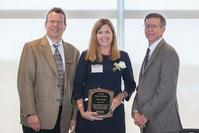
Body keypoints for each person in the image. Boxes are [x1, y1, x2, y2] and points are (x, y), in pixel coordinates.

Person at [17, 7, 79, 133]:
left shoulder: (73, 52)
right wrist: (30, 113)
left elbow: (75, 86)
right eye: (52, 21)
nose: (56, 25)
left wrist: (74, 116)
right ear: (45, 24)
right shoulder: (31, 48)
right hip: (37, 118)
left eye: (60, 22)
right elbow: (24, 83)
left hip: (63, 118)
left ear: (65, 26)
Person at [72, 18, 136, 133]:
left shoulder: (123, 56)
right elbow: (77, 86)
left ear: (113, 34)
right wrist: (82, 112)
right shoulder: (86, 56)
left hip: (114, 115)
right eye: (100, 32)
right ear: (95, 35)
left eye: (107, 32)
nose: (104, 36)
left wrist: (120, 96)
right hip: (89, 115)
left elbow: (131, 85)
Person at [131, 13, 183, 133]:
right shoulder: (149, 52)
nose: (149, 29)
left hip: (164, 124)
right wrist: (135, 111)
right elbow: (142, 87)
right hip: (148, 124)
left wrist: (145, 115)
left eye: (154, 26)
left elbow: (166, 90)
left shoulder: (169, 52)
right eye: (147, 26)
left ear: (163, 29)